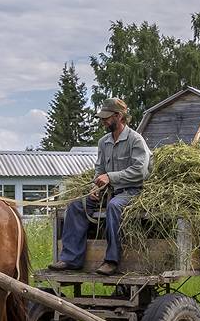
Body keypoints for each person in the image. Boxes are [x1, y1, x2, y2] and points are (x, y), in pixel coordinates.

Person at [49, 98, 151, 275]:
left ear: (119, 116)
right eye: (102, 117)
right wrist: (96, 187)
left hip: (132, 191)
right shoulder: (103, 142)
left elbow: (140, 171)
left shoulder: (135, 140)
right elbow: (100, 169)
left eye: (106, 117)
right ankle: (70, 259)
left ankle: (111, 261)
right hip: (109, 191)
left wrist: (110, 177)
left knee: (114, 206)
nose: (103, 121)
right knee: (75, 206)